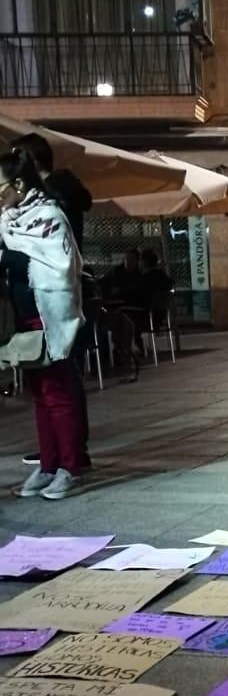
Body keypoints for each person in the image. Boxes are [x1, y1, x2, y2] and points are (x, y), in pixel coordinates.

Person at [0, 148, 85, 499]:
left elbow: (62, 266)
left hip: (49, 315)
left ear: (19, 183)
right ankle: (48, 465)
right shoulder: (8, 219)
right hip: (20, 316)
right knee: (39, 395)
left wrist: (11, 258)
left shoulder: (49, 216)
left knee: (58, 394)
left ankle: (69, 468)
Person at [19, 132, 93, 472]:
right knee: (54, 380)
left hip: (56, 294)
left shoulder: (52, 201)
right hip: (53, 293)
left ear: (31, 163)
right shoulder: (59, 196)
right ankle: (64, 450)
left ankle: (71, 455)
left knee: (60, 378)